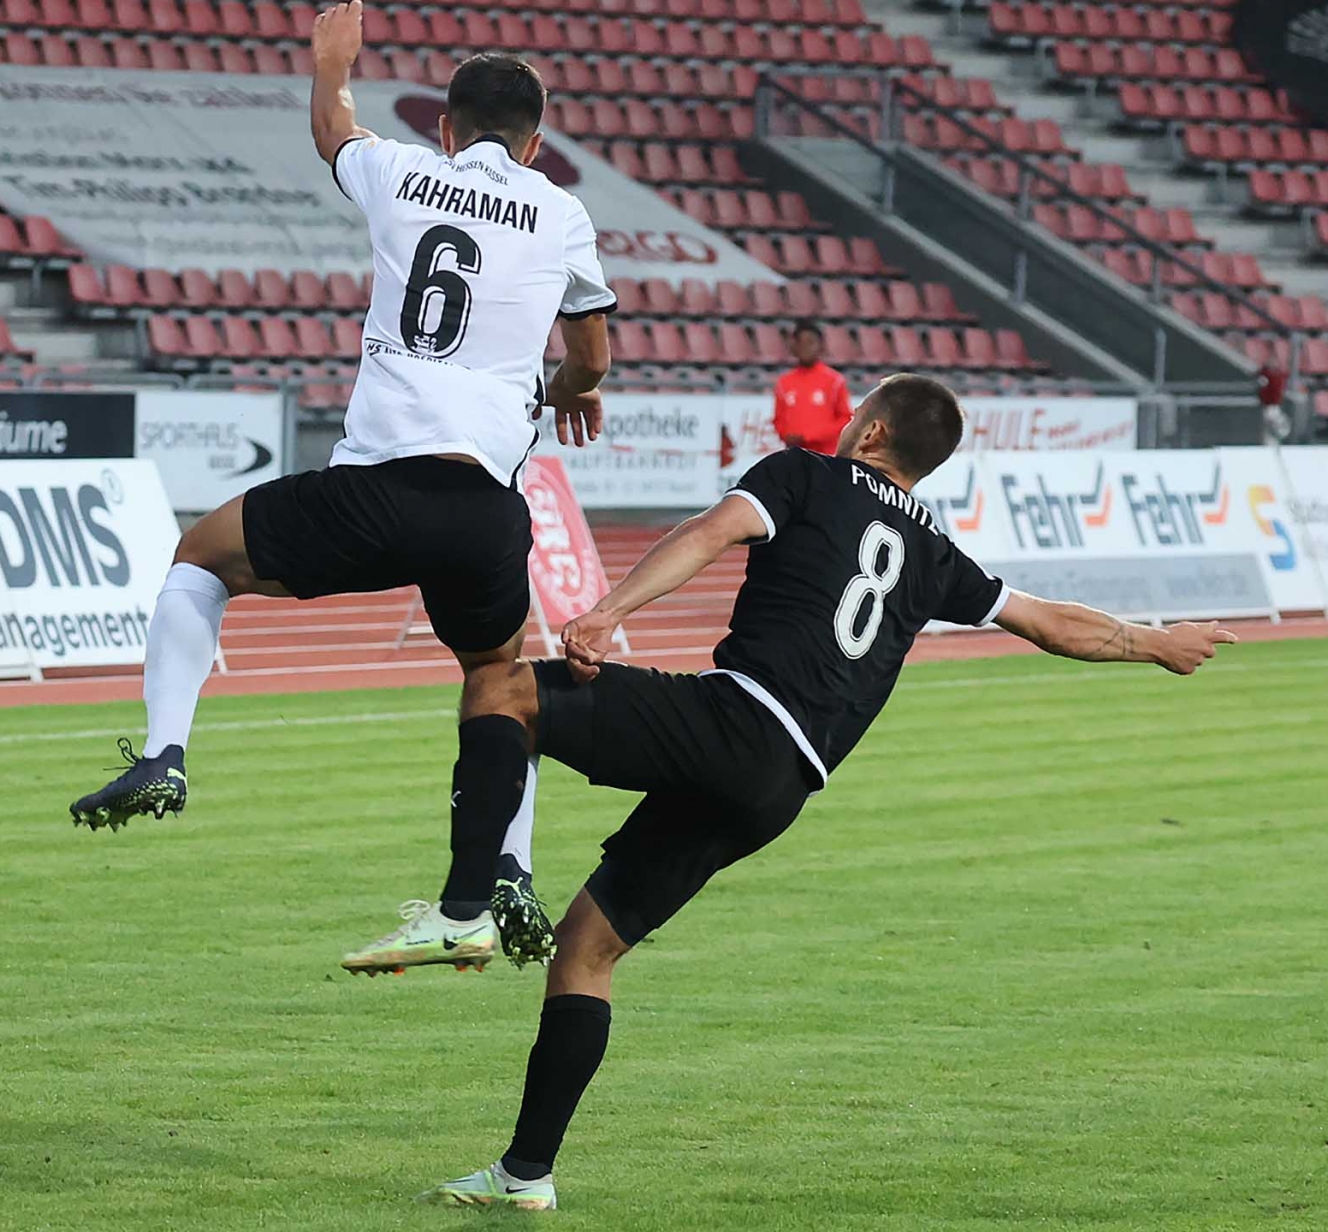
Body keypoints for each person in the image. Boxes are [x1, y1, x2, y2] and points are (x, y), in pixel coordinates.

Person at [425, 373, 1235, 1209]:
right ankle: (525, 1175)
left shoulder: (805, 475)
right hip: (781, 788)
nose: (847, 423)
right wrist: (1156, 642)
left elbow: (711, 531)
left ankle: (473, 901)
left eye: (857, 414)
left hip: (739, 720)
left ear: (873, 432)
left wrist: (606, 611)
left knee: (504, 688)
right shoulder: (934, 553)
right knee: (587, 949)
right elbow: (1047, 622)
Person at [66, 0, 618, 976]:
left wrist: (333, 62)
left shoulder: (401, 170)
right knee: (500, 683)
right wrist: (572, 386)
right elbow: (593, 355)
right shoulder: (561, 211)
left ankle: (164, 754)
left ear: (444, 130)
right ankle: (503, 876)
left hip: (378, 491)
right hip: (485, 511)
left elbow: (334, 130)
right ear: (536, 146)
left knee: (202, 556)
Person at [773, 319, 853, 452]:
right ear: (794, 347)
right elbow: (778, 419)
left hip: (825, 456)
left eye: (810, 342)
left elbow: (845, 419)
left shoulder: (834, 381)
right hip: (794, 455)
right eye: (801, 343)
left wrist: (809, 436)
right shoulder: (783, 382)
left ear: (820, 346)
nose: (805, 348)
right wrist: (785, 434)